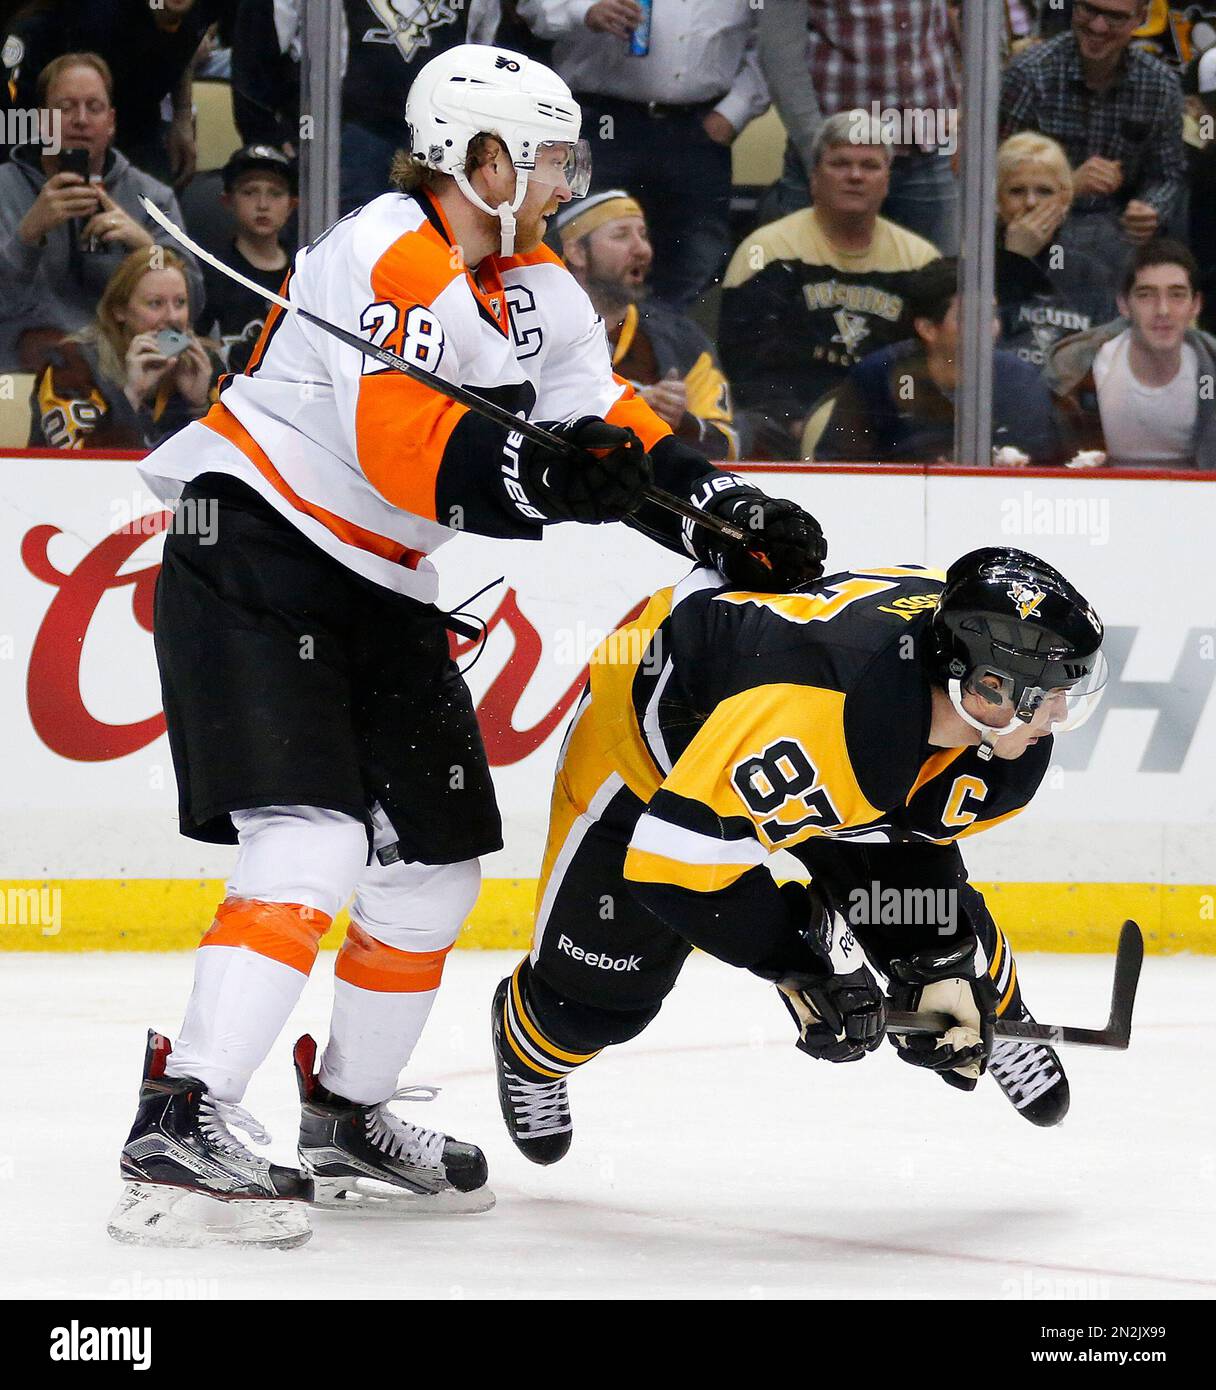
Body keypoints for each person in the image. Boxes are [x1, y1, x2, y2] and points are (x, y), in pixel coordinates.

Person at [110, 43, 827, 1250]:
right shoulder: (386, 249)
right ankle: (181, 1117)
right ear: (479, 159)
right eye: (545, 158)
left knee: (432, 865)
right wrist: (552, 479)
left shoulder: (533, 277)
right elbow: (405, 447)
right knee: (314, 839)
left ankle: (346, 1114)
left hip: (383, 580)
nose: (562, 179)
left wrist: (717, 509)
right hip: (256, 548)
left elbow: (601, 422)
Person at [490, 548, 1109, 1166]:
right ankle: (531, 1051)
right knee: (592, 1004)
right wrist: (803, 965)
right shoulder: (826, 720)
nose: (1058, 713)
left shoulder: (964, 696)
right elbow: (674, 869)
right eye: (1051, 692)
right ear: (986, 686)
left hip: (821, 737)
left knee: (929, 930)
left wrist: (939, 964)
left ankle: (998, 1008)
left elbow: (912, 841)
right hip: (657, 752)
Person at [719, 109, 940, 458]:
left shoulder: (921, 259)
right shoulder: (767, 250)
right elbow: (746, 365)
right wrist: (795, 421)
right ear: (814, 178)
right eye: (840, 164)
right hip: (784, 429)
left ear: (887, 180)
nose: (855, 176)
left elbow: (932, 365)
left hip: (889, 431)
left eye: (870, 166)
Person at [538, 0, 769, 310]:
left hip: (698, 129)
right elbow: (534, 8)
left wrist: (734, 112)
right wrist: (584, 10)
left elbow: (774, 44)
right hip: (601, 122)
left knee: (695, 263)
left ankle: (667, 341)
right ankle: (574, 338)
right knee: (576, 247)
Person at [0, 51, 203, 373]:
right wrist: (28, 236)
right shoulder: (4, 190)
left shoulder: (152, 197)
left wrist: (147, 250)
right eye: (65, 108)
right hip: (24, 371)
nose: (80, 119)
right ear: (41, 121)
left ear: (110, 123)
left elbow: (194, 304)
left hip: (130, 371)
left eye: (93, 108)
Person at [999, 0, 1187, 291]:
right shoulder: (1029, 74)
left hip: (1121, 233)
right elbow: (993, 174)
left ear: (1140, 18)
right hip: (1038, 233)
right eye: (1089, 9)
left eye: (1115, 17)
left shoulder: (1160, 85)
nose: (1098, 26)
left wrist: (1150, 208)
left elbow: (1168, 174)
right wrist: (1066, 186)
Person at [812, 257, 1068, 464]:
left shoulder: (1020, 381)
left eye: (991, 315)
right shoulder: (877, 376)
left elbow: (1043, 471)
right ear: (928, 329)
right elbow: (837, 469)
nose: (988, 329)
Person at [756, 0, 962, 252]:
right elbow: (779, 54)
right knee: (813, 273)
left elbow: (972, 29)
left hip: (926, 152)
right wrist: (818, 155)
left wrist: (963, 124)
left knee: (938, 272)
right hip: (836, 155)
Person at [555, 188, 739, 460]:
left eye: (643, 235)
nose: (642, 249)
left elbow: (730, 446)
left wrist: (682, 422)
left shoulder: (683, 341)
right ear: (577, 252)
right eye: (621, 235)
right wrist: (627, 412)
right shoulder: (535, 323)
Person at [2, 0, 226, 185]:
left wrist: (182, 112)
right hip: (47, 114)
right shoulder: (97, 16)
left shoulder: (206, 7)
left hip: (136, 117)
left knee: (156, 206)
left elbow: (184, 42)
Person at [1044, 238, 1216, 468]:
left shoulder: (1210, 366)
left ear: (1196, 305)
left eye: (1177, 295)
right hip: (1097, 490)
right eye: (1146, 295)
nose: (1163, 310)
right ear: (1124, 305)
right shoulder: (1076, 370)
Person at [29, 245, 215, 448]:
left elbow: (232, 461)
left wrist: (200, 407)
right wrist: (131, 397)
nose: (173, 317)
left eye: (180, 302)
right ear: (119, 310)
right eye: (155, 303)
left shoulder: (205, 365)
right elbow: (78, 462)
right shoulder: (71, 364)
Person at [995, 131, 1116, 369]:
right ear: (998, 201)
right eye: (1017, 191)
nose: (1031, 203)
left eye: (1044, 191)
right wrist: (1014, 261)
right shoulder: (975, 267)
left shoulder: (1092, 274)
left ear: (1065, 200)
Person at [200, 144, 297, 373]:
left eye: (275, 193)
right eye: (249, 192)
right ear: (227, 201)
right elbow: (184, 337)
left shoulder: (304, 271)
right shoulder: (209, 271)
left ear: (292, 205)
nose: (263, 205)